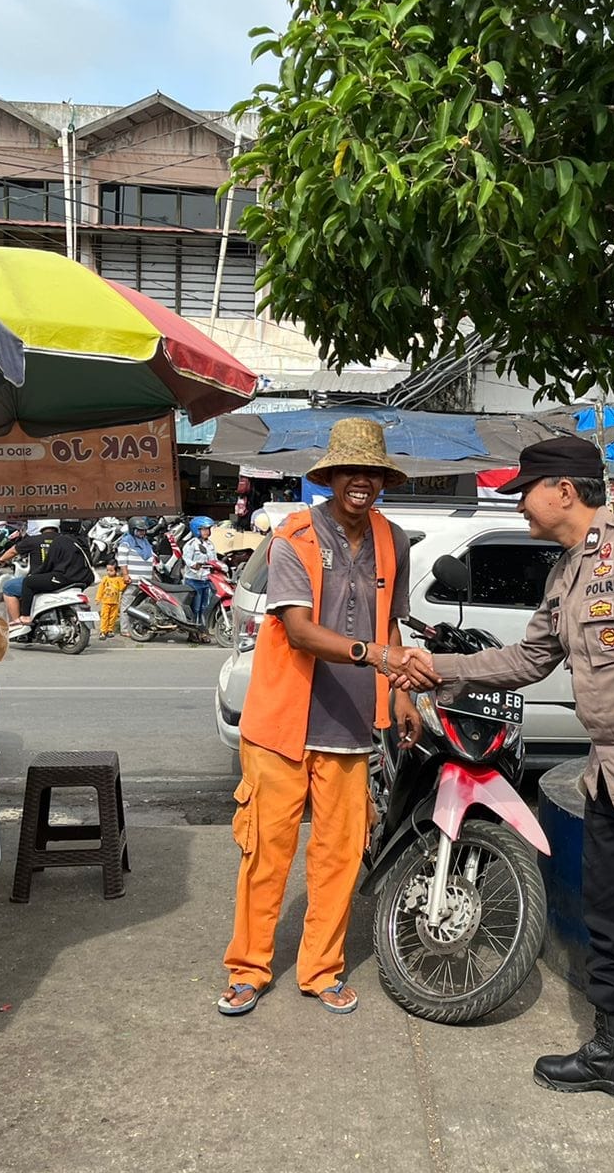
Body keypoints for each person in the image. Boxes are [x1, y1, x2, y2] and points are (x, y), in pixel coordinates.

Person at [403, 436, 614, 1168]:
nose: (517, 500)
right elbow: (529, 658)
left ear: (562, 489)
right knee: (613, 919)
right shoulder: (566, 571)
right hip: (610, 775)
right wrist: (443, 671)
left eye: (525, 488)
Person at [219, 418, 427, 1020]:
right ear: (331, 477)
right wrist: (378, 655)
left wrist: (400, 694)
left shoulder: (394, 541)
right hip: (282, 724)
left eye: (372, 473)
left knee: (338, 854)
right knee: (267, 852)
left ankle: (321, 970)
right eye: (350, 471)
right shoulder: (294, 538)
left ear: (382, 481)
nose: (360, 482)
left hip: (351, 725)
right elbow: (301, 631)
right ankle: (248, 969)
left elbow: (390, 622)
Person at [183, 515, 217, 629]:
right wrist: (195, 565)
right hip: (194, 580)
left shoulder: (210, 544)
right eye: (204, 529)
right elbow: (186, 559)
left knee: (204, 607)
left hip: (206, 580)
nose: (207, 532)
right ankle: (193, 631)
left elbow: (214, 560)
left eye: (208, 529)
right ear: (197, 530)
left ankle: (202, 629)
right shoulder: (191, 544)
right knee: (195, 608)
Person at [116, 516, 158, 584]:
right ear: (132, 530)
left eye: (143, 530)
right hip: (133, 581)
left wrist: (153, 575)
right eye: (139, 530)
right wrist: (125, 575)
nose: (142, 532)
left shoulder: (146, 542)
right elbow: (122, 561)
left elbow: (151, 560)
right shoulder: (126, 542)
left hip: (147, 581)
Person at [95, 560, 129, 638]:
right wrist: (98, 598)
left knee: (113, 617)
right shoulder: (105, 579)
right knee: (104, 616)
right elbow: (101, 589)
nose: (109, 572)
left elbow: (121, 588)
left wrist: (126, 582)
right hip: (106, 602)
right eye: (107, 570)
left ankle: (110, 630)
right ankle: (103, 631)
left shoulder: (118, 579)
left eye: (111, 570)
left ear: (116, 571)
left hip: (115, 602)